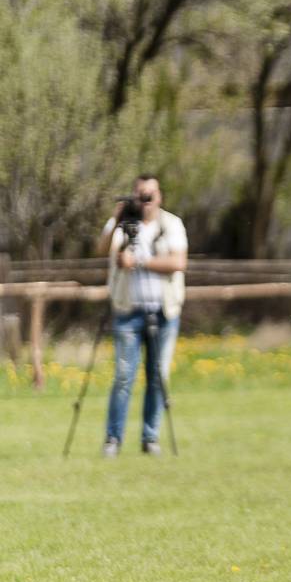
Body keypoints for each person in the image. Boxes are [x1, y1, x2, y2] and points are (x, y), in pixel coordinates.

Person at [97, 174, 188, 457]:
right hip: (127, 310)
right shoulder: (122, 223)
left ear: (159, 196)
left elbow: (178, 262)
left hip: (163, 311)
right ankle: (113, 439)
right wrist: (116, 222)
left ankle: (150, 438)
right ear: (133, 195)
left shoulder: (171, 224)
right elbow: (101, 250)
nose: (145, 201)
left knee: (157, 375)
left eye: (150, 195)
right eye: (140, 195)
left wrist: (139, 261)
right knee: (124, 375)